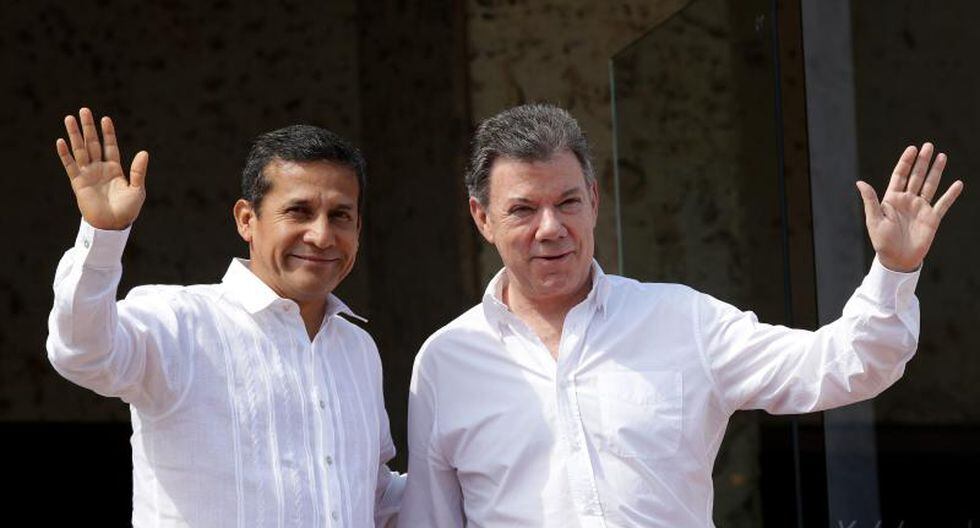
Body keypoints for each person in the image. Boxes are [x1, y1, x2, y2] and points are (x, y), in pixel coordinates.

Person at [398, 103, 964, 527]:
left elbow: (840, 366)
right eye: (523, 209)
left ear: (594, 200)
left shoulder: (680, 320)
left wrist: (894, 270)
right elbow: (430, 518)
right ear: (482, 218)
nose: (551, 228)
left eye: (567, 202)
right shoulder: (448, 361)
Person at [47, 108, 404, 527]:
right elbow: (83, 353)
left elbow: (372, 495)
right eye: (299, 211)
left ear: (358, 229)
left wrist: (469, 466)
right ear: (246, 220)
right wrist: (103, 235)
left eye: (340, 216)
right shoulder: (180, 324)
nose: (322, 235)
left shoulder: (357, 348)